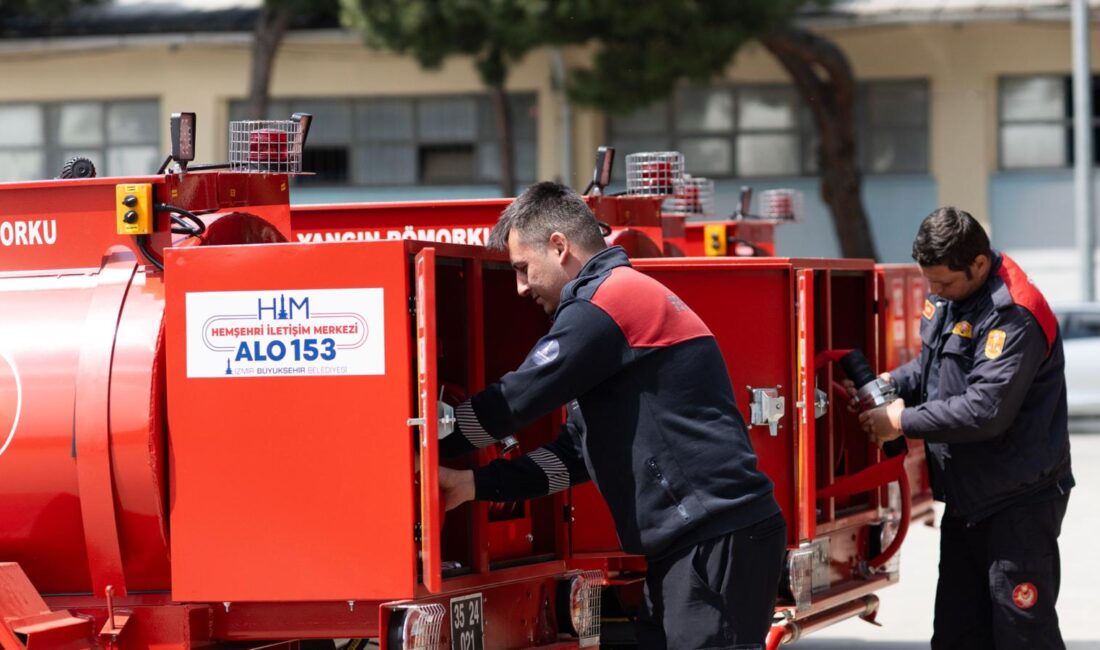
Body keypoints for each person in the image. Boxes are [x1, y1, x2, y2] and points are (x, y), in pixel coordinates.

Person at [437, 181, 785, 649]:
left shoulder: (603, 304)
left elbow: (517, 399)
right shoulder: (619, 299)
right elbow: (573, 455)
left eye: (523, 269)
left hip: (713, 538)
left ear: (558, 247)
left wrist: (430, 437)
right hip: (699, 541)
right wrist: (472, 486)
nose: (520, 288)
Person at [858, 207, 1073, 650]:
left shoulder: (1014, 314)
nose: (935, 292)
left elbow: (984, 411)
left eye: (943, 282)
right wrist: (890, 384)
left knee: (1021, 635)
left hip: (1018, 506)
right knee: (958, 635)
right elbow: (933, 369)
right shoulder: (952, 296)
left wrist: (900, 420)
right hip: (968, 503)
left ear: (978, 263)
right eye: (929, 282)